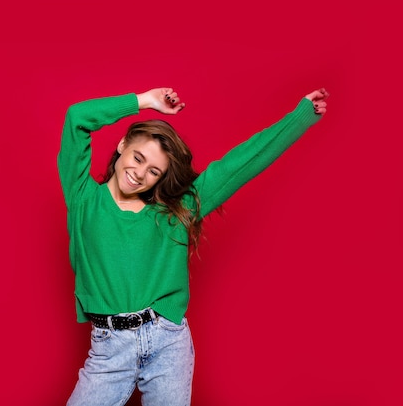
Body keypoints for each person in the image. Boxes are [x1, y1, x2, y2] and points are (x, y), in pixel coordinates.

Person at [57, 86, 330, 406]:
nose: (139, 173)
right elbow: (77, 118)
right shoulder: (84, 200)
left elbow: (239, 165)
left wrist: (299, 118)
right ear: (122, 145)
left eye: (153, 171)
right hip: (108, 347)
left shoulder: (174, 213)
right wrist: (144, 102)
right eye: (138, 157)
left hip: (166, 343)